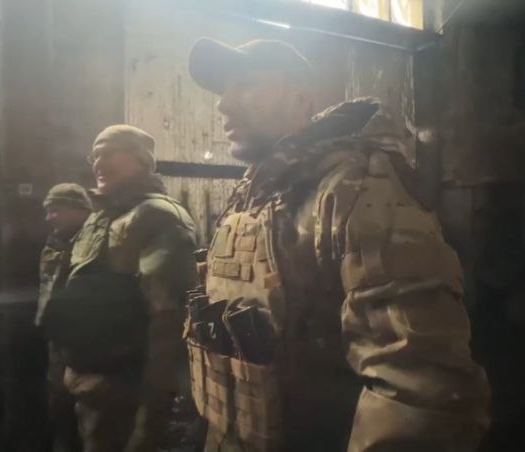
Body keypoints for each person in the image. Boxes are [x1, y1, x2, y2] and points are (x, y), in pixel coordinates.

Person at [184, 38, 491, 451]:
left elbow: (420, 390)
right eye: (223, 90)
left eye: (246, 84)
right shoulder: (253, 194)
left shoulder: (355, 189)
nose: (224, 104)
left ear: (300, 97)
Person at [42, 125, 198, 452]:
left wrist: (149, 422)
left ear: (142, 159)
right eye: (95, 156)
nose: (99, 163)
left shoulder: (155, 216)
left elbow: (168, 325)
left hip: (121, 395)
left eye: (111, 153)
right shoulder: (102, 217)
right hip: (82, 384)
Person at [37, 183, 92, 452]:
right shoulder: (53, 244)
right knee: (60, 413)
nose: (49, 218)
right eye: (48, 212)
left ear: (79, 210)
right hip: (58, 345)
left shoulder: (96, 245)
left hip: (89, 347)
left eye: (56, 210)